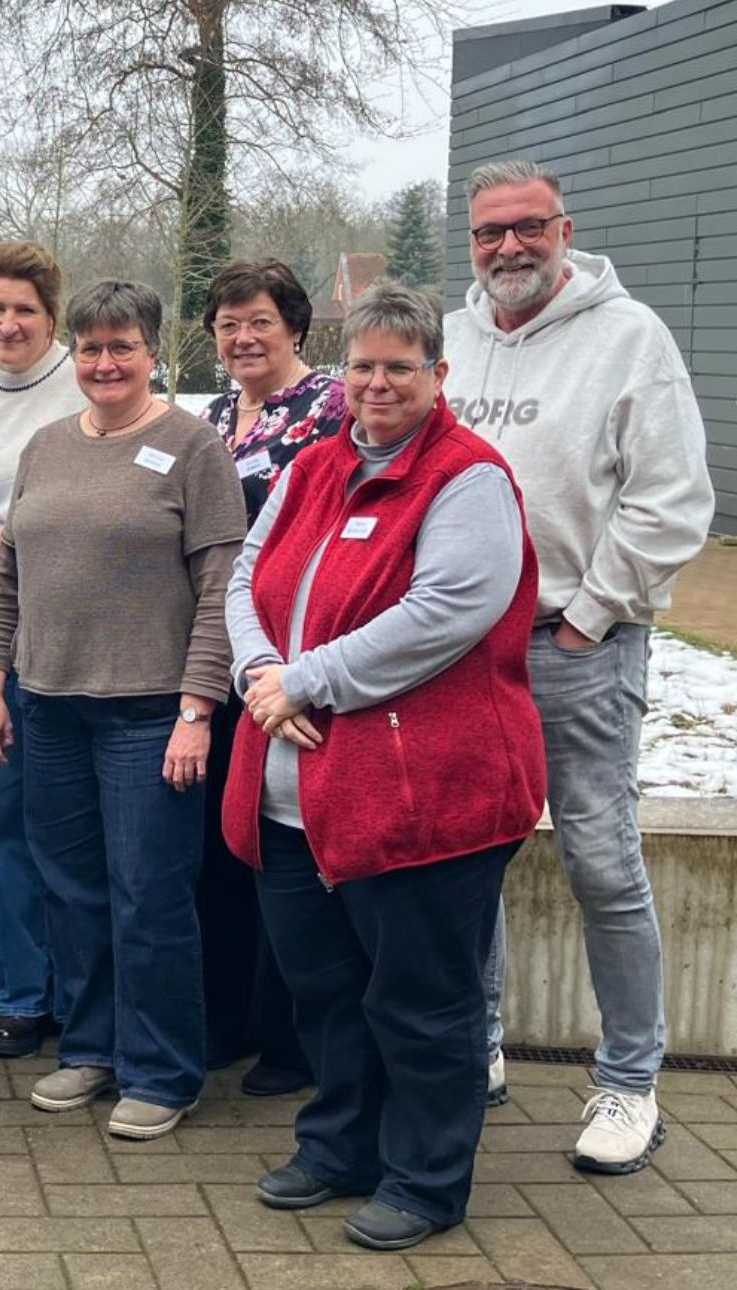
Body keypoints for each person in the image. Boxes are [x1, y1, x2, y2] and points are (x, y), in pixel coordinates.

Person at [225, 282, 544, 1251]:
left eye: (399, 368)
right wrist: (258, 672)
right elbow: (243, 578)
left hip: (419, 797)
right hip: (297, 797)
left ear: (436, 374)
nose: (377, 384)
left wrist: (304, 681)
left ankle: (426, 1178)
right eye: (361, 366)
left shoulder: (468, 478)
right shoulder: (312, 467)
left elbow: (446, 612)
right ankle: (341, 1145)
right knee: (324, 990)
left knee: (421, 1001)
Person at [445, 158, 715, 1174]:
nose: (507, 246)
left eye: (528, 226)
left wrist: (589, 619)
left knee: (599, 860)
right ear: (470, 242)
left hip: (575, 640)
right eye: (488, 232)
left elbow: (671, 500)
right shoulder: (451, 338)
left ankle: (629, 1080)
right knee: (467, 855)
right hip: (457, 649)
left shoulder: (628, 337)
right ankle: (475, 1044)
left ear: (564, 230)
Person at [0, 279, 246, 1141]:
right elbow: (10, 579)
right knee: (72, 892)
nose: (104, 363)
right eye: (90, 348)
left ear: (153, 353)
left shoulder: (193, 447)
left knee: (149, 898)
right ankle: (91, 1048)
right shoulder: (47, 446)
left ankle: (163, 1070)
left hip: (149, 714)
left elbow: (221, 589)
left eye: (121, 346)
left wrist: (197, 709)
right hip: (49, 707)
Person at [194, 259, 344, 1097]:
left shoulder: (332, 409)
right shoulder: (214, 415)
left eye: (259, 321)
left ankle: (293, 1040)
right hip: (218, 661)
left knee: (291, 849)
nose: (243, 338)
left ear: (294, 326)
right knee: (224, 846)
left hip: (297, 661)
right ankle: (226, 1020)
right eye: (228, 324)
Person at [0, 240, 86, 1059]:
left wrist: (25, 533)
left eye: (25, 309)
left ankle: (84, 997)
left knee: (74, 829)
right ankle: (23, 996)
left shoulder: (87, 383)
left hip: (81, 635)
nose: (8, 323)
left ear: (51, 316)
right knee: (1, 825)